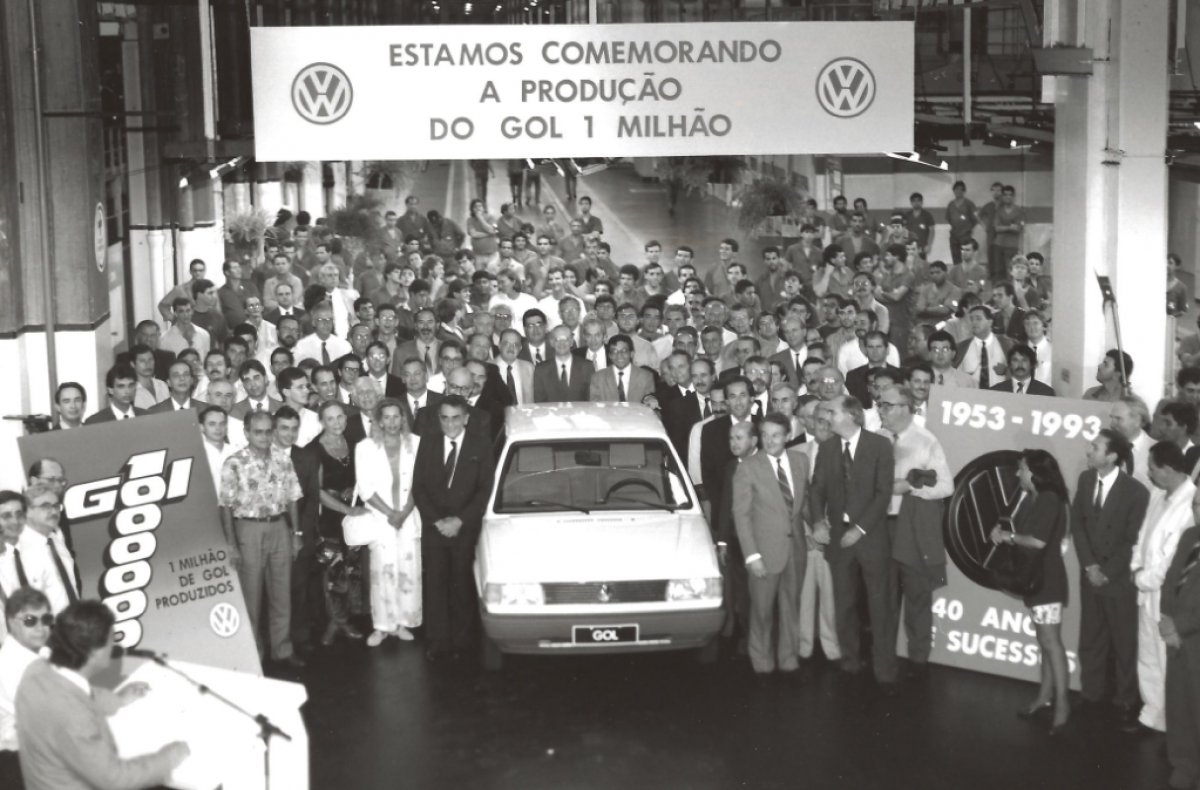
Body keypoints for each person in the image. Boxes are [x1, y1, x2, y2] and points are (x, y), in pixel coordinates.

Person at [15, 600, 189, 789]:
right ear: (94, 653)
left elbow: (70, 692)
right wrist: (167, 760)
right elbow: (115, 780)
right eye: (111, 639)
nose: (115, 645)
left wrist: (117, 700)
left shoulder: (36, 670)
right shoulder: (74, 718)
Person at [808, 395, 899, 691]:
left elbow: (883, 494)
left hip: (870, 537)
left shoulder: (880, 446)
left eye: (832, 412)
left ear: (851, 415)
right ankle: (850, 661)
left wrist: (859, 530)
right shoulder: (827, 448)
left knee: (879, 605)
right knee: (844, 603)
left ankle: (885, 668)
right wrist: (818, 522)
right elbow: (816, 490)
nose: (827, 418)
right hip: (838, 539)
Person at [1072, 428, 1150, 732]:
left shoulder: (1136, 492)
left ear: (1113, 455)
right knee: (1090, 639)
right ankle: (1090, 694)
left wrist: (1106, 571)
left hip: (1117, 582)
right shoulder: (1085, 480)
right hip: (1090, 576)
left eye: (1095, 447)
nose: (1088, 450)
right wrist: (1090, 566)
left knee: (1124, 643)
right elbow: (1078, 525)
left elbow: (1132, 540)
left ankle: (1126, 701)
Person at [990, 449, 1071, 734]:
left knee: (1051, 643)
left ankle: (1062, 706)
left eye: (1022, 468)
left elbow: (1037, 541)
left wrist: (1008, 536)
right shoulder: (1037, 498)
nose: (1018, 473)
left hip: (1047, 582)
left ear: (1035, 472)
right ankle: (1045, 698)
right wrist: (1006, 533)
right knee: (1046, 642)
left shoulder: (1047, 499)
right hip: (1040, 580)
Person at [218, 410, 306, 668]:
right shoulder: (234, 463)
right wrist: (231, 545)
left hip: (279, 528)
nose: (264, 437)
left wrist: (296, 534)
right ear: (247, 432)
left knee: (281, 593)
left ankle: (282, 649)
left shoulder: (282, 460)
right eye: (258, 432)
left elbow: (293, 497)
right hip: (248, 529)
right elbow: (225, 506)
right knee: (251, 596)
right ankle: (253, 652)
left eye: (268, 431)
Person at [412, 396, 495, 662]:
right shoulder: (428, 443)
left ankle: (462, 642)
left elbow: (485, 489)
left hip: (464, 529)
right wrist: (437, 521)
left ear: (466, 418)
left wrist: (460, 521)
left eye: (456, 418)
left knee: (462, 585)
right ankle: (438, 642)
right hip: (435, 528)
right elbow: (418, 487)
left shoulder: (481, 445)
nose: (450, 424)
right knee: (435, 585)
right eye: (444, 418)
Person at [731, 414, 809, 676]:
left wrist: (818, 525)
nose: (769, 441)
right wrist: (752, 556)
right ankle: (761, 662)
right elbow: (741, 515)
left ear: (788, 435)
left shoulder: (800, 461)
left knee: (791, 608)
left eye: (776, 435)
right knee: (762, 611)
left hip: (796, 549)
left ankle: (789, 660)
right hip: (763, 553)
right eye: (764, 435)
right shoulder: (748, 467)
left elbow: (802, 504)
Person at [1130, 441, 1197, 734]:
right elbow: (1142, 537)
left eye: (1153, 468)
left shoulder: (1190, 502)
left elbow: (1171, 559)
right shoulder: (1158, 495)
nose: (1149, 473)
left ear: (1168, 469)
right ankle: (1152, 716)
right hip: (1145, 592)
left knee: (1166, 660)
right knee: (1147, 656)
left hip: (1167, 596)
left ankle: (1174, 724)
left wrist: (1142, 579)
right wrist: (1136, 568)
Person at [355, 398, 422, 646]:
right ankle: (382, 626)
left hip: (408, 516)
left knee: (408, 571)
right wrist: (391, 514)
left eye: (397, 416)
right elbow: (365, 488)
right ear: (379, 421)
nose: (392, 422)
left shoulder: (416, 443)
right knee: (382, 572)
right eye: (387, 417)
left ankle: (404, 622)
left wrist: (403, 513)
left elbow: (421, 483)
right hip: (380, 518)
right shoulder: (365, 447)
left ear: (403, 418)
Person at [1160, 503, 1200, 789]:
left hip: (1193, 636)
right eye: (1196, 504)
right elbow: (1172, 578)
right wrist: (1166, 620)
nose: (1198, 510)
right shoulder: (1190, 536)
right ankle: (1184, 765)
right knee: (1179, 706)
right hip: (1177, 639)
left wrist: (1180, 627)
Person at [0, 587, 52, 788]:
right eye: (30, 621)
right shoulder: (10, 666)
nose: (41, 627)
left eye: (46, 619)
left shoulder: (43, 652)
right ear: (12, 622)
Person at [14, 484, 78, 615]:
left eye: (56, 506)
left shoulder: (56, 540)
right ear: (27, 511)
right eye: (45, 506)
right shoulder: (17, 551)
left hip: (74, 622)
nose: (54, 512)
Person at [589, 334, 654, 404]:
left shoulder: (645, 377)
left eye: (624, 351)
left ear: (632, 353)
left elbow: (649, 404)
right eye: (614, 351)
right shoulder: (598, 378)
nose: (619, 355)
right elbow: (594, 405)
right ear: (610, 355)